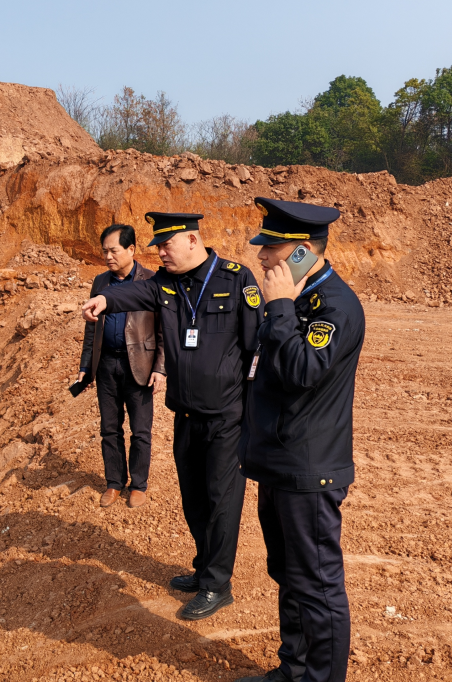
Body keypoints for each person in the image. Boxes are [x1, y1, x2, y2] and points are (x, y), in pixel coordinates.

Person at [82, 212, 262, 620]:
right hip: (186, 413)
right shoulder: (165, 283)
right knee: (195, 500)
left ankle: (218, 585)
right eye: (157, 247)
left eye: (167, 245)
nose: (160, 253)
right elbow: (135, 295)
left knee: (221, 502)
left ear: (194, 240)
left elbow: (256, 348)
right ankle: (204, 570)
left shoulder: (236, 279)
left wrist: (254, 411)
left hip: (227, 417)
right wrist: (105, 300)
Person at [234, 198, 366, 682]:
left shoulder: (333, 306)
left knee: (317, 586)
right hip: (279, 462)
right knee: (289, 577)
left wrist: (281, 306)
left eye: (272, 248)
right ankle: (294, 670)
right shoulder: (299, 300)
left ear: (303, 251)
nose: (262, 257)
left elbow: (299, 371)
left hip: (309, 470)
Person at [75, 224, 166, 509]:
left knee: (141, 430)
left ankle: (139, 484)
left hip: (139, 365)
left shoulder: (150, 281)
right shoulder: (100, 282)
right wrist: (86, 365)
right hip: (107, 365)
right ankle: (114, 482)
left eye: (113, 250)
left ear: (131, 249)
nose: (108, 256)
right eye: (104, 251)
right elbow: (91, 330)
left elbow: (164, 331)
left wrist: (160, 368)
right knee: (109, 429)